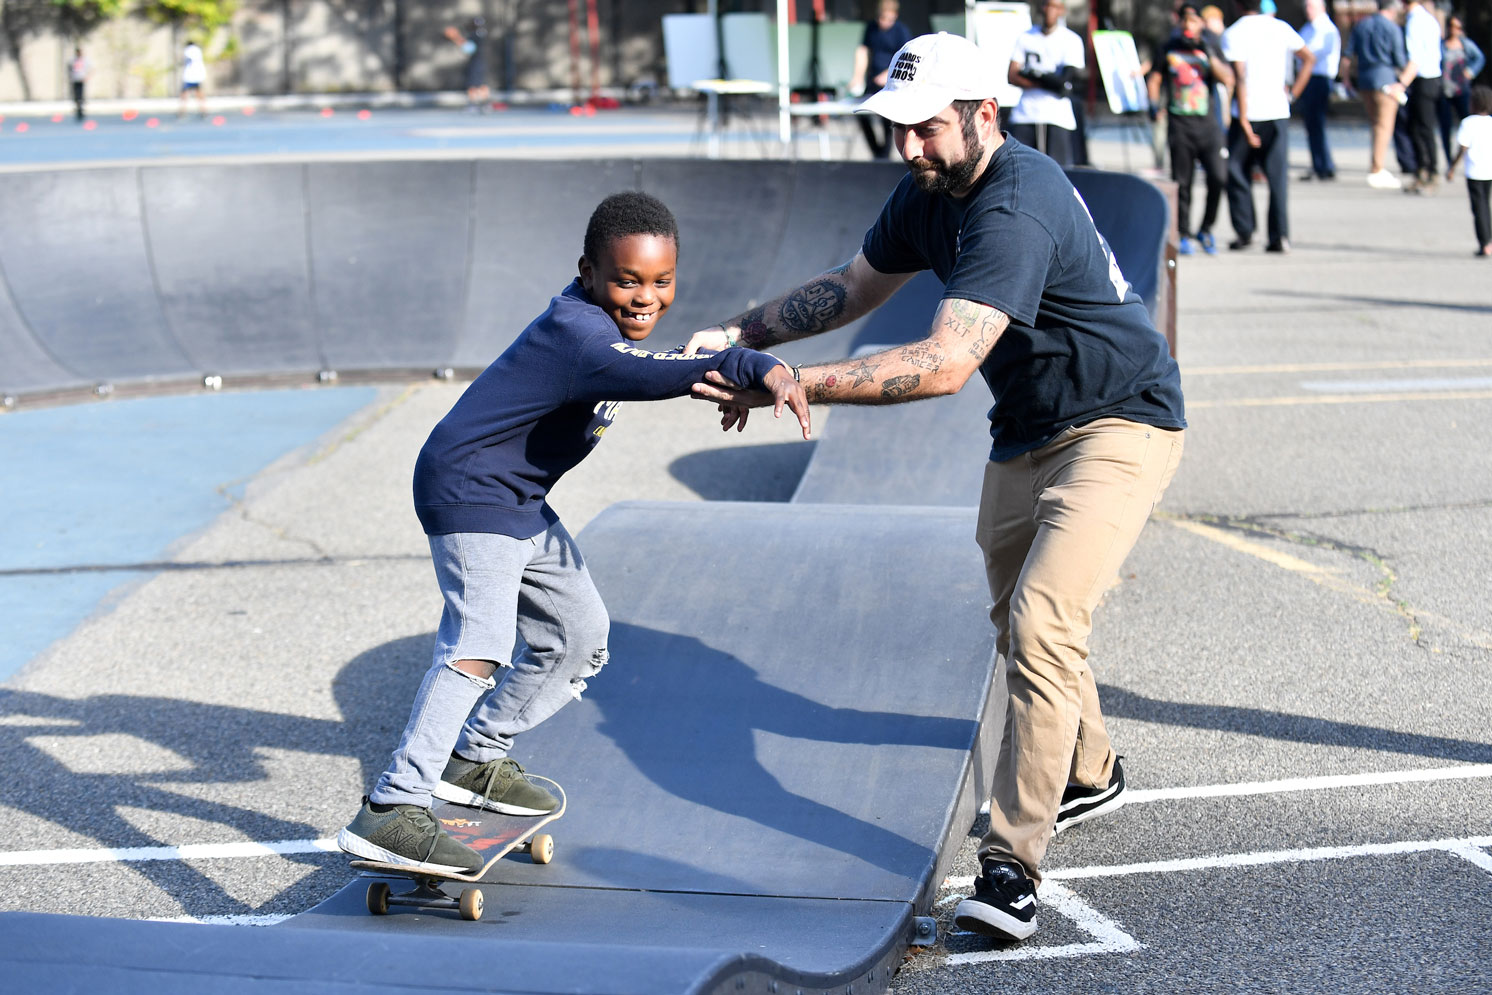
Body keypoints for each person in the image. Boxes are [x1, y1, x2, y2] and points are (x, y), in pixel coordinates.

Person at [683, 32, 1185, 943]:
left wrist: (793, 386)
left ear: (983, 114)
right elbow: (852, 287)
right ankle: (1089, 769)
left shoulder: (1013, 204)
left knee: (1042, 621)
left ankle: (1011, 864)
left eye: (924, 130)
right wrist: (739, 335)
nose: (907, 148)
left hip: (1120, 421)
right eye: (896, 130)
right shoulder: (928, 188)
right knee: (1020, 622)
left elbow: (944, 364)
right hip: (1026, 429)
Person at [337, 192, 809, 873]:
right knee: (480, 642)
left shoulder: (602, 332)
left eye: (662, 281)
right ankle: (392, 807)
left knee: (579, 636)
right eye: (627, 280)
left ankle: (474, 759)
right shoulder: (579, 335)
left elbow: (650, 361)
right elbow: (664, 376)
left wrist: (730, 355)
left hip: (519, 498)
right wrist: (759, 365)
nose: (646, 298)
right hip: (469, 490)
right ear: (587, 272)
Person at [1221, 0, 1314, 253]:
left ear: (1238, 5)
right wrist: (1293, 94)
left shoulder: (1233, 32)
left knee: (1237, 171)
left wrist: (1242, 118)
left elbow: (1239, 76)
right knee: (1277, 177)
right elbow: (1309, 58)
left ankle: (1244, 230)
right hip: (1277, 110)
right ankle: (1280, 235)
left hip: (1248, 111)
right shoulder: (1281, 27)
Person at [1148, 4, 1234, 256]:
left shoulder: (1211, 45)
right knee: (1182, 183)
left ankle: (1206, 228)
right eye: (1185, 21)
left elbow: (1227, 77)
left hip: (1208, 124)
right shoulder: (1168, 47)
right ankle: (1183, 233)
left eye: (1193, 21)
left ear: (1201, 24)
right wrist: (1153, 105)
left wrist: (1207, 53)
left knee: (1219, 177)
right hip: (1180, 123)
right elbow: (1154, 78)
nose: (1188, 25)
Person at [1343, 0, 1417, 189]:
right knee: (1384, 126)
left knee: (1375, 124)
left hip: (1365, 80)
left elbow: (1348, 55)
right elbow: (1400, 59)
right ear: (1392, 9)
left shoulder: (1362, 25)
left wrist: (1346, 79)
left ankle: (1376, 164)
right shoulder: (1392, 29)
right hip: (1386, 80)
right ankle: (1377, 168)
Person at [1007, 0, 1086, 167]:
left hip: (1056, 115)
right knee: (1021, 167)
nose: (1049, 11)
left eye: (1054, 7)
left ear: (1061, 11)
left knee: (1057, 169)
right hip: (1026, 113)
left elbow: (1064, 83)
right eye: (1047, 5)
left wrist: (1034, 76)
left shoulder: (1071, 40)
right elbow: (1012, 76)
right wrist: (1044, 81)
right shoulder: (1026, 37)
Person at [850, 0, 913, 160]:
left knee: (887, 118)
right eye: (881, 18)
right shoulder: (871, 28)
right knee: (861, 112)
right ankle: (877, 153)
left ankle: (884, 154)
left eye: (887, 19)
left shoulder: (901, 31)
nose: (883, 22)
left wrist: (888, 74)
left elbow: (906, 58)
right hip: (872, 83)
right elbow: (863, 52)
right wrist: (857, 76)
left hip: (892, 83)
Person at [1446, 85, 1492, 257]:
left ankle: (1484, 243)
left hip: (1474, 171)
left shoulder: (1468, 123)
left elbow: (1462, 148)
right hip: (1489, 170)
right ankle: (1489, 239)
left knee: (1478, 208)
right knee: (1486, 205)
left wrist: (1452, 167)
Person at [1403, 0, 1444, 192]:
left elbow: (1415, 58)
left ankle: (1430, 172)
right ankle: (1424, 171)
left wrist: (1401, 83)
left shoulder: (1416, 20)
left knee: (1422, 128)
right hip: (1428, 78)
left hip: (1423, 78)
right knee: (1418, 127)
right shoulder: (1426, 18)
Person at [1297, 0, 1341, 180]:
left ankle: (1325, 166)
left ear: (1322, 8)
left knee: (1317, 124)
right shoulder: (1308, 28)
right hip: (1307, 79)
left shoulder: (1326, 29)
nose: (1308, 10)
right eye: (1306, 6)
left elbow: (1311, 55)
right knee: (1311, 124)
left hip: (1319, 79)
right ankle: (1319, 164)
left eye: (1311, 6)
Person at [1438, 15, 1486, 163]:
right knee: (1445, 127)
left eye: (1457, 27)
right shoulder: (1441, 45)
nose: (1454, 30)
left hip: (1461, 90)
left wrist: (1470, 72)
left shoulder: (1465, 44)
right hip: (1444, 89)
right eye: (1451, 26)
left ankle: (1470, 156)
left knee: (1467, 124)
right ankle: (1448, 159)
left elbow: (1480, 58)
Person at [446, 17, 491, 112]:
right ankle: (485, 104)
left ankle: (473, 105)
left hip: (476, 61)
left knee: (473, 83)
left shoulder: (475, 35)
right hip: (483, 61)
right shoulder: (483, 33)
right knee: (482, 82)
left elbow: (469, 48)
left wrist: (455, 37)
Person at [178, 39, 207, 118]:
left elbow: (187, 58)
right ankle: (204, 110)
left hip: (190, 76)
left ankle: (182, 111)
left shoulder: (189, 50)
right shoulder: (198, 50)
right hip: (197, 75)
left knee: (184, 94)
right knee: (199, 93)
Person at [68, 47, 90, 122]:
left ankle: (81, 108)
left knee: (81, 95)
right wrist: (70, 76)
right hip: (75, 79)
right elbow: (70, 68)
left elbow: (90, 68)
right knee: (76, 95)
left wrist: (87, 77)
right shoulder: (72, 60)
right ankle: (77, 107)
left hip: (81, 79)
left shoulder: (84, 60)